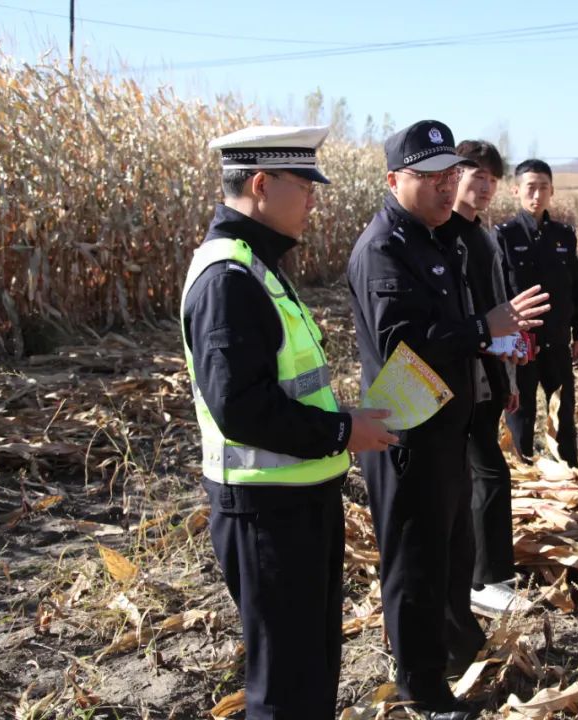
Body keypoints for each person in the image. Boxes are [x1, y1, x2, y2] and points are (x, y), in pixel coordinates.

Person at [181, 125, 397, 719]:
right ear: (260, 184)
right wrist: (342, 432)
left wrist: (345, 423)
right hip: (265, 514)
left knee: (310, 671)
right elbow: (241, 409)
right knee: (283, 687)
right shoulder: (228, 279)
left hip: (299, 501)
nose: (313, 198)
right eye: (304, 185)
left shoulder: (258, 266)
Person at [347, 120, 549, 719]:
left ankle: (460, 652)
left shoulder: (442, 241)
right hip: (406, 433)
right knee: (414, 565)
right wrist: (485, 329)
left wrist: (496, 348)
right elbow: (400, 344)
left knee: (452, 552)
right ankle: (422, 688)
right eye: (428, 177)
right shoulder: (384, 248)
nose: (444, 187)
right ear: (393, 181)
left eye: (448, 175)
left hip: (447, 429)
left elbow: (462, 333)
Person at [444, 140, 534, 617]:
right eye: (475, 175)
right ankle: (486, 580)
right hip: (460, 375)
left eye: (492, 180)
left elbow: (501, 306)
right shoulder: (443, 236)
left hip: (490, 373)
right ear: (452, 176)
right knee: (490, 474)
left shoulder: (485, 236)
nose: (483, 187)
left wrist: (511, 376)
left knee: (484, 475)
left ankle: (484, 573)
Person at [496, 159, 578, 467]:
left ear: (552, 191)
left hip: (557, 344)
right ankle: (524, 484)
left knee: (563, 420)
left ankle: (570, 481)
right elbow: (498, 293)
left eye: (543, 188)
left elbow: (575, 290)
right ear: (516, 191)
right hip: (521, 349)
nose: (537, 196)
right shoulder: (504, 236)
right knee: (520, 420)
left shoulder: (564, 236)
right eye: (530, 188)